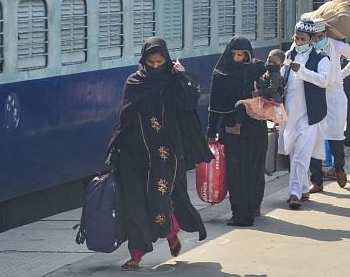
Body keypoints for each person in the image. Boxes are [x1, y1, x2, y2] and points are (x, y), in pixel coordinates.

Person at [106, 37, 212, 271]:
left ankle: (170, 230)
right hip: (133, 154)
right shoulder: (134, 82)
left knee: (158, 199)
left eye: (159, 61)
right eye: (151, 62)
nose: (155, 66)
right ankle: (137, 253)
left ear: (166, 59)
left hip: (164, 153)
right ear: (144, 61)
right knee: (133, 203)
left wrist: (182, 76)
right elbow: (123, 119)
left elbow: (188, 103)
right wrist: (115, 153)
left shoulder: (173, 83)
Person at [207, 36, 268, 227]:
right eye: (234, 54)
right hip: (231, 128)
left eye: (241, 55)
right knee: (236, 172)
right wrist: (211, 130)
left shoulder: (258, 68)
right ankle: (241, 213)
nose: (237, 58)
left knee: (255, 167)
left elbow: (273, 89)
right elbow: (214, 105)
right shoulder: (220, 74)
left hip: (255, 125)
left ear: (248, 54)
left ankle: (254, 205)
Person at [279, 19, 330, 209]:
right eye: (296, 38)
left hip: (310, 115)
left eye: (302, 39)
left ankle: (293, 193)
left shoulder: (321, 57)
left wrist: (303, 71)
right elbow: (282, 82)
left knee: (302, 154)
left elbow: (324, 80)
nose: (298, 42)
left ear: (310, 39)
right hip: (290, 114)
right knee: (294, 153)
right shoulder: (287, 55)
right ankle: (302, 188)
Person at [308, 23, 350, 192]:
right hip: (316, 96)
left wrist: (342, 73)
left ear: (326, 33)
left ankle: (339, 168)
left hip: (335, 97)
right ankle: (317, 181)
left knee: (335, 136)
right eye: (314, 37)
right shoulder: (308, 48)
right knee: (315, 140)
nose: (317, 40)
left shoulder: (337, 46)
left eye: (320, 36)